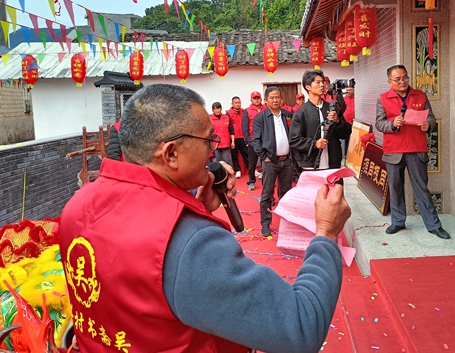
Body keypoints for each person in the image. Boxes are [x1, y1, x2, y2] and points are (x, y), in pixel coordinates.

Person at [59, 84, 351, 353]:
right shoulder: (193, 245)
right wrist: (326, 231)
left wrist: (190, 208)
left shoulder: (77, 204)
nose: (214, 149)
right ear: (171, 153)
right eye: (208, 139)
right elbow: (301, 327)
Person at [375, 65, 450, 240]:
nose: (402, 82)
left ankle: (434, 225)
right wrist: (392, 124)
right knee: (395, 188)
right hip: (394, 150)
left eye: (405, 78)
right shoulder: (383, 98)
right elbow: (379, 123)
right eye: (398, 79)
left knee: (422, 188)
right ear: (390, 82)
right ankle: (398, 221)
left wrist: (428, 125)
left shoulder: (420, 95)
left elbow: (431, 117)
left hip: (417, 148)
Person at [252, 86, 294, 236]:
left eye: (277, 97)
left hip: (287, 161)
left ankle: (286, 221)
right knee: (267, 194)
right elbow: (256, 140)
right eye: (272, 98)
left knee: (286, 193)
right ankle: (265, 223)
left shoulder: (288, 115)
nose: (275, 100)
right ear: (266, 100)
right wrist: (264, 157)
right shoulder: (260, 118)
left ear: (281, 99)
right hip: (270, 162)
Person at [290, 70, 351, 170]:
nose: (322, 85)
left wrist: (337, 122)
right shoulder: (300, 113)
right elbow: (294, 141)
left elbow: (345, 134)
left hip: (333, 164)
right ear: (308, 87)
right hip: (311, 165)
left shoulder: (333, 109)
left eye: (322, 82)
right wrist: (314, 143)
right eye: (318, 82)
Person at [242, 91, 265, 191]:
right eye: (254, 98)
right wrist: (248, 140)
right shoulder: (247, 111)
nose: (257, 100)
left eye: (258, 98)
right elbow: (245, 127)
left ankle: (266, 181)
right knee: (252, 164)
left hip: (265, 140)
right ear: (251, 100)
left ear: (261, 99)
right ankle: (251, 181)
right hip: (253, 141)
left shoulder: (266, 108)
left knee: (266, 163)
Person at [227, 96, 249, 179]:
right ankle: (237, 170)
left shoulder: (244, 111)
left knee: (246, 154)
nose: (238, 104)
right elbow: (229, 127)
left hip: (243, 137)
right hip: (234, 138)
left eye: (239, 102)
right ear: (232, 104)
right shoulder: (229, 114)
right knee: (234, 155)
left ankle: (251, 169)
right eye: (236, 103)